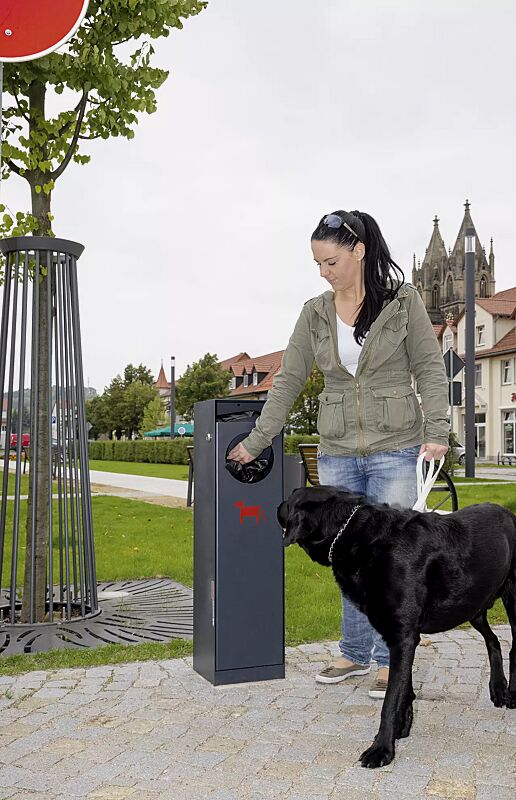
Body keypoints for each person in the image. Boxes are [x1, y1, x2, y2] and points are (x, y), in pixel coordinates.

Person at [227, 209, 449, 699]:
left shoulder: (401, 301)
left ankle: (394, 659)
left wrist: (438, 429)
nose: (323, 272)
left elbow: (430, 367)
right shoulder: (315, 312)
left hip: (397, 446)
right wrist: (258, 440)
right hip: (338, 452)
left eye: (330, 261)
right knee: (345, 555)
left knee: (394, 558)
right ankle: (353, 651)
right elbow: (287, 379)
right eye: (317, 264)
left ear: (358, 251)